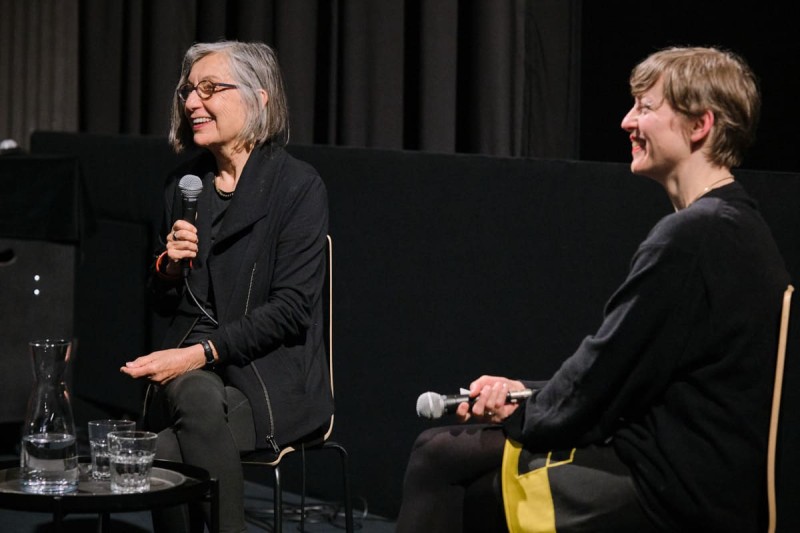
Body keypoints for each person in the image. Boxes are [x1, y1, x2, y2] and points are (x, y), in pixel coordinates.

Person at [396, 46, 790, 532]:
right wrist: (525, 395)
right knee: (460, 462)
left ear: (700, 125)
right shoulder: (739, 224)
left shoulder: (693, 237)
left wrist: (523, 412)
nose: (627, 121)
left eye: (646, 108)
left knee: (440, 458)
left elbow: (600, 378)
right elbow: (623, 375)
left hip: (669, 491)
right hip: (703, 479)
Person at [120, 41, 333, 533]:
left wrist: (195, 356)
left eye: (210, 89)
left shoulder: (297, 187)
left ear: (258, 98)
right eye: (188, 91)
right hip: (194, 379)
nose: (192, 102)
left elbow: (291, 310)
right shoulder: (183, 188)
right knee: (189, 398)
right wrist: (168, 271)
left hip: (268, 377)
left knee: (163, 451)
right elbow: (160, 305)